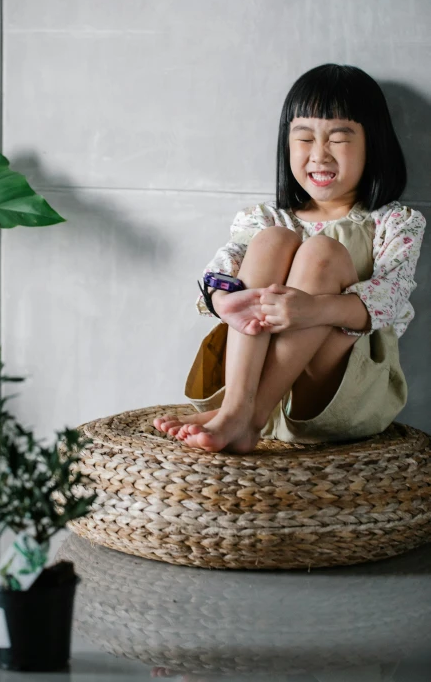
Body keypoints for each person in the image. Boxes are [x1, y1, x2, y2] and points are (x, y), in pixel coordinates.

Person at [153, 63, 426, 454]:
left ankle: (250, 416)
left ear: (373, 144)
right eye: (304, 138)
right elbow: (223, 266)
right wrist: (221, 301)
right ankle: (236, 409)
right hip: (256, 374)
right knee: (272, 241)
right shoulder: (265, 219)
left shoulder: (394, 224)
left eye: (338, 138)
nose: (319, 155)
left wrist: (314, 310)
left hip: (337, 390)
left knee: (321, 253)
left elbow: (391, 298)